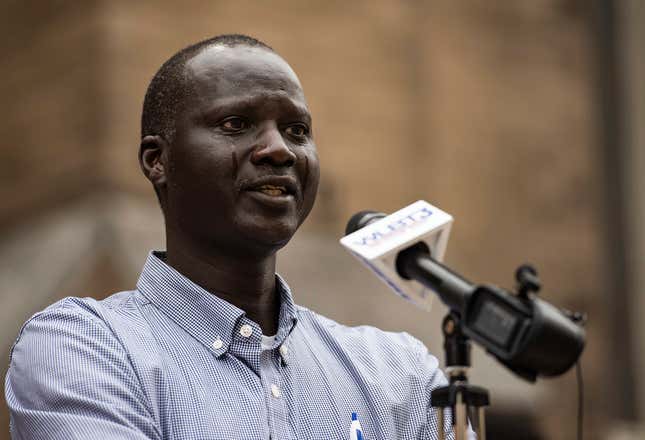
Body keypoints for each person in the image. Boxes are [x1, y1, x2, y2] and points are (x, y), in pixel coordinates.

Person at [5, 34, 457, 439]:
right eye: (235, 124)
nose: (280, 149)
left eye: (297, 130)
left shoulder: (398, 375)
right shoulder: (84, 349)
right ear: (157, 160)